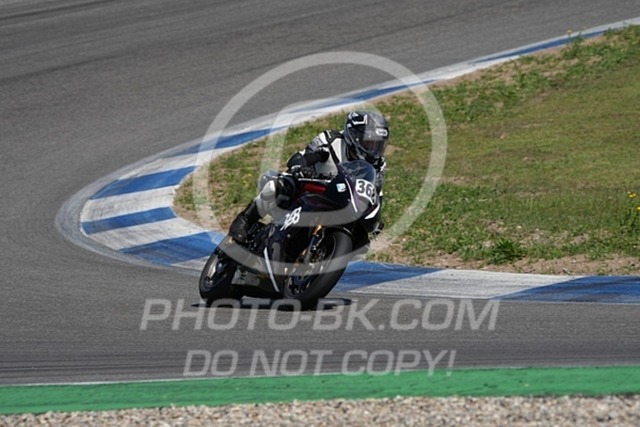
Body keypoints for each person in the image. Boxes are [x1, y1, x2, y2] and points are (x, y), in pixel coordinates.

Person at [228, 110, 389, 244]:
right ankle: (245, 220)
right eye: (369, 143)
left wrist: (376, 219)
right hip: (310, 185)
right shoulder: (331, 140)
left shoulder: (378, 165)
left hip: (341, 200)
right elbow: (302, 156)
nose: (374, 150)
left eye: (378, 145)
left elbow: (375, 193)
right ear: (354, 136)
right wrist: (301, 167)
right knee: (277, 186)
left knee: (362, 241)